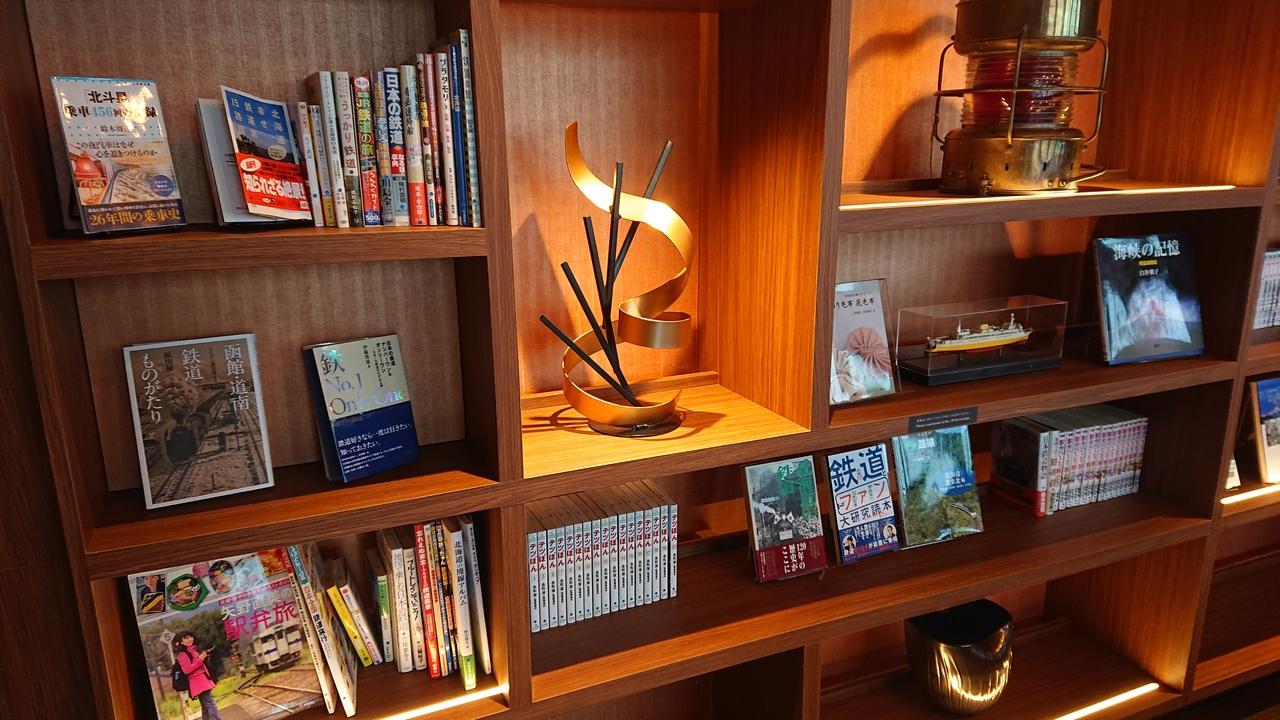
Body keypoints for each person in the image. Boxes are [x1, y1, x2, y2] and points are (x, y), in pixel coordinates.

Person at [174, 632, 221, 720]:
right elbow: (187, 670)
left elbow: (199, 664)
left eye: (190, 637)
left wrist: (205, 657)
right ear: (181, 642)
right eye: (186, 638)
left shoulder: (193, 650)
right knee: (210, 703)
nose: (190, 639)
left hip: (203, 679)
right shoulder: (182, 654)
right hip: (198, 682)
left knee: (205, 705)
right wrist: (200, 659)